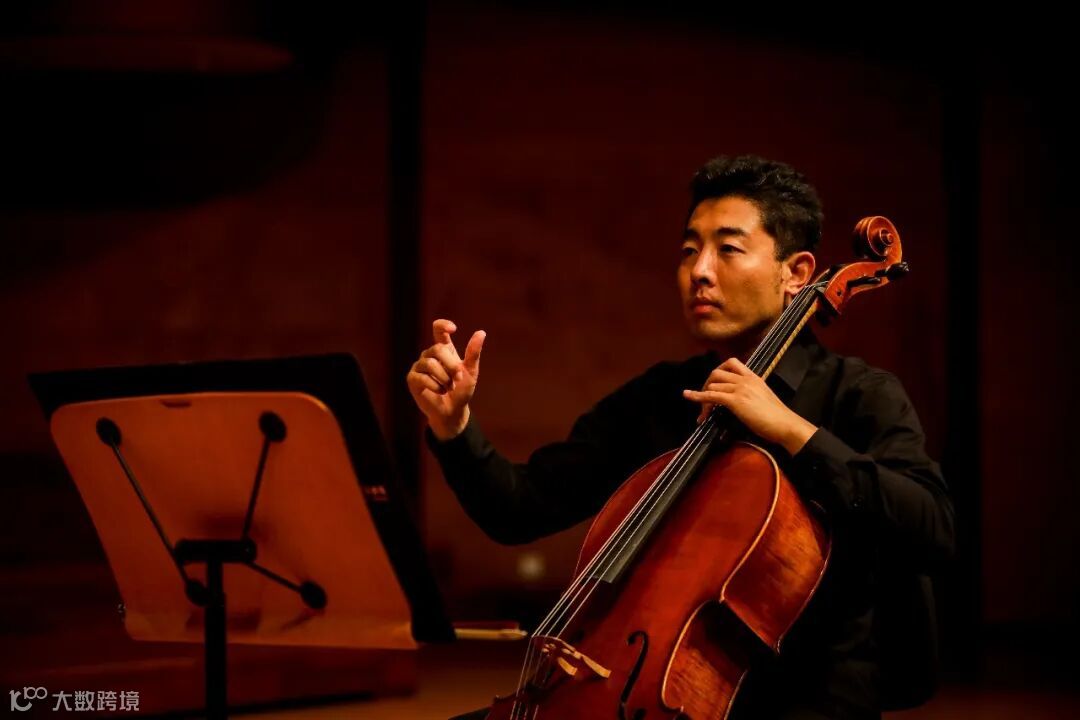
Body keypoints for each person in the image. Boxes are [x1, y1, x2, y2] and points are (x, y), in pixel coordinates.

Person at [407, 154, 955, 720]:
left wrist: (792, 431)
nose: (700, 271)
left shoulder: (860, 395)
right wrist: (453, 424)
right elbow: (517, 509)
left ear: (795, 273)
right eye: (690, 250)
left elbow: (933, 526)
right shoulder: (661, 398)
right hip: (648, 698)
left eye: (728, 249)